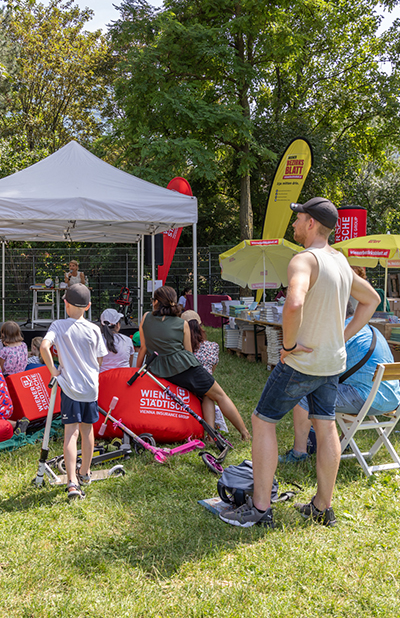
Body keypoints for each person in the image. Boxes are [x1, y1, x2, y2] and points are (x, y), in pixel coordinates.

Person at [218, 197, 379, 529]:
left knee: (262, 421)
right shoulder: (340, 261)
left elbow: (293, 303)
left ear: (311, 224)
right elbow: (372, 299)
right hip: (332, 362)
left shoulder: (304, 260)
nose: (293, 225)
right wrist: (342, 335)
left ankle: (260, 509)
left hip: (302, 363)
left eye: (298, 219)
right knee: (326, 424)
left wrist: (288, 345)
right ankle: (323, 507)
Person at [280, 299, 400, 462]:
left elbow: (319, 367)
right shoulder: (370, 329)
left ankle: (299, 453)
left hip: (368, 398)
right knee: (343, 386)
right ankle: (345, 442)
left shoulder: (343, 333)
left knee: (303, 395)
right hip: (392, 398)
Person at [137, 286, 250, 440]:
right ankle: (244, 433)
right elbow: (188, 353)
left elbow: (143, 348)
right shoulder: (181, 323)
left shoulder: (145, 318)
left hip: (155, 369)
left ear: (156, 302)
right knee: (219, 395)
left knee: (207, 394)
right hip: (183, 369)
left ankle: (211, 435)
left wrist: (136, 371)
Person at [40, 284, 106, 500]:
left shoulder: (58, 325)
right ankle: (85, 473)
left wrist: (54, 371)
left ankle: (72, 482)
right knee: (88, 430)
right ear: (88, 306)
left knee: (71, 433)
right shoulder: (95, 329)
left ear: (65, 303)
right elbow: (99, 359)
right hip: (90, 388)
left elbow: (43, 346)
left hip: (69, 387)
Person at [182, 309, 227, 433]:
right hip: (205, 386)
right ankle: (211, 432)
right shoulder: (213, 346)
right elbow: (212, 370)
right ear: (201, 326)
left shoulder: (181, 348)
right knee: (209, 394)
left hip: (186, 385)